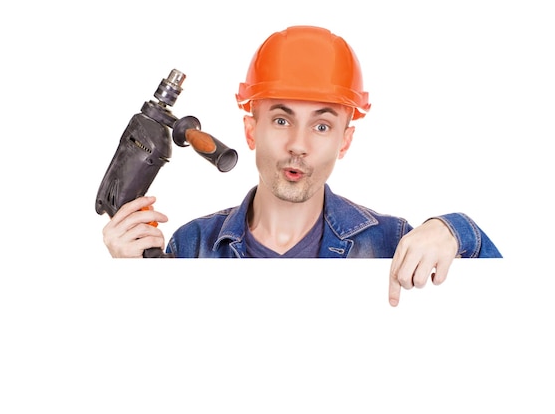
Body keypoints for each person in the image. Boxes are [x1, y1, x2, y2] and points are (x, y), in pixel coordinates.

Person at [102, 25, 502, 306]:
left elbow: (511, 314)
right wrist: (133, 284)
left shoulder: (391, 243)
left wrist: (455, 232)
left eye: (323, 125)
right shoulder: (191, 246)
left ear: (345, 140)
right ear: (250, 130)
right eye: (281, 120)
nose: (298, 144)